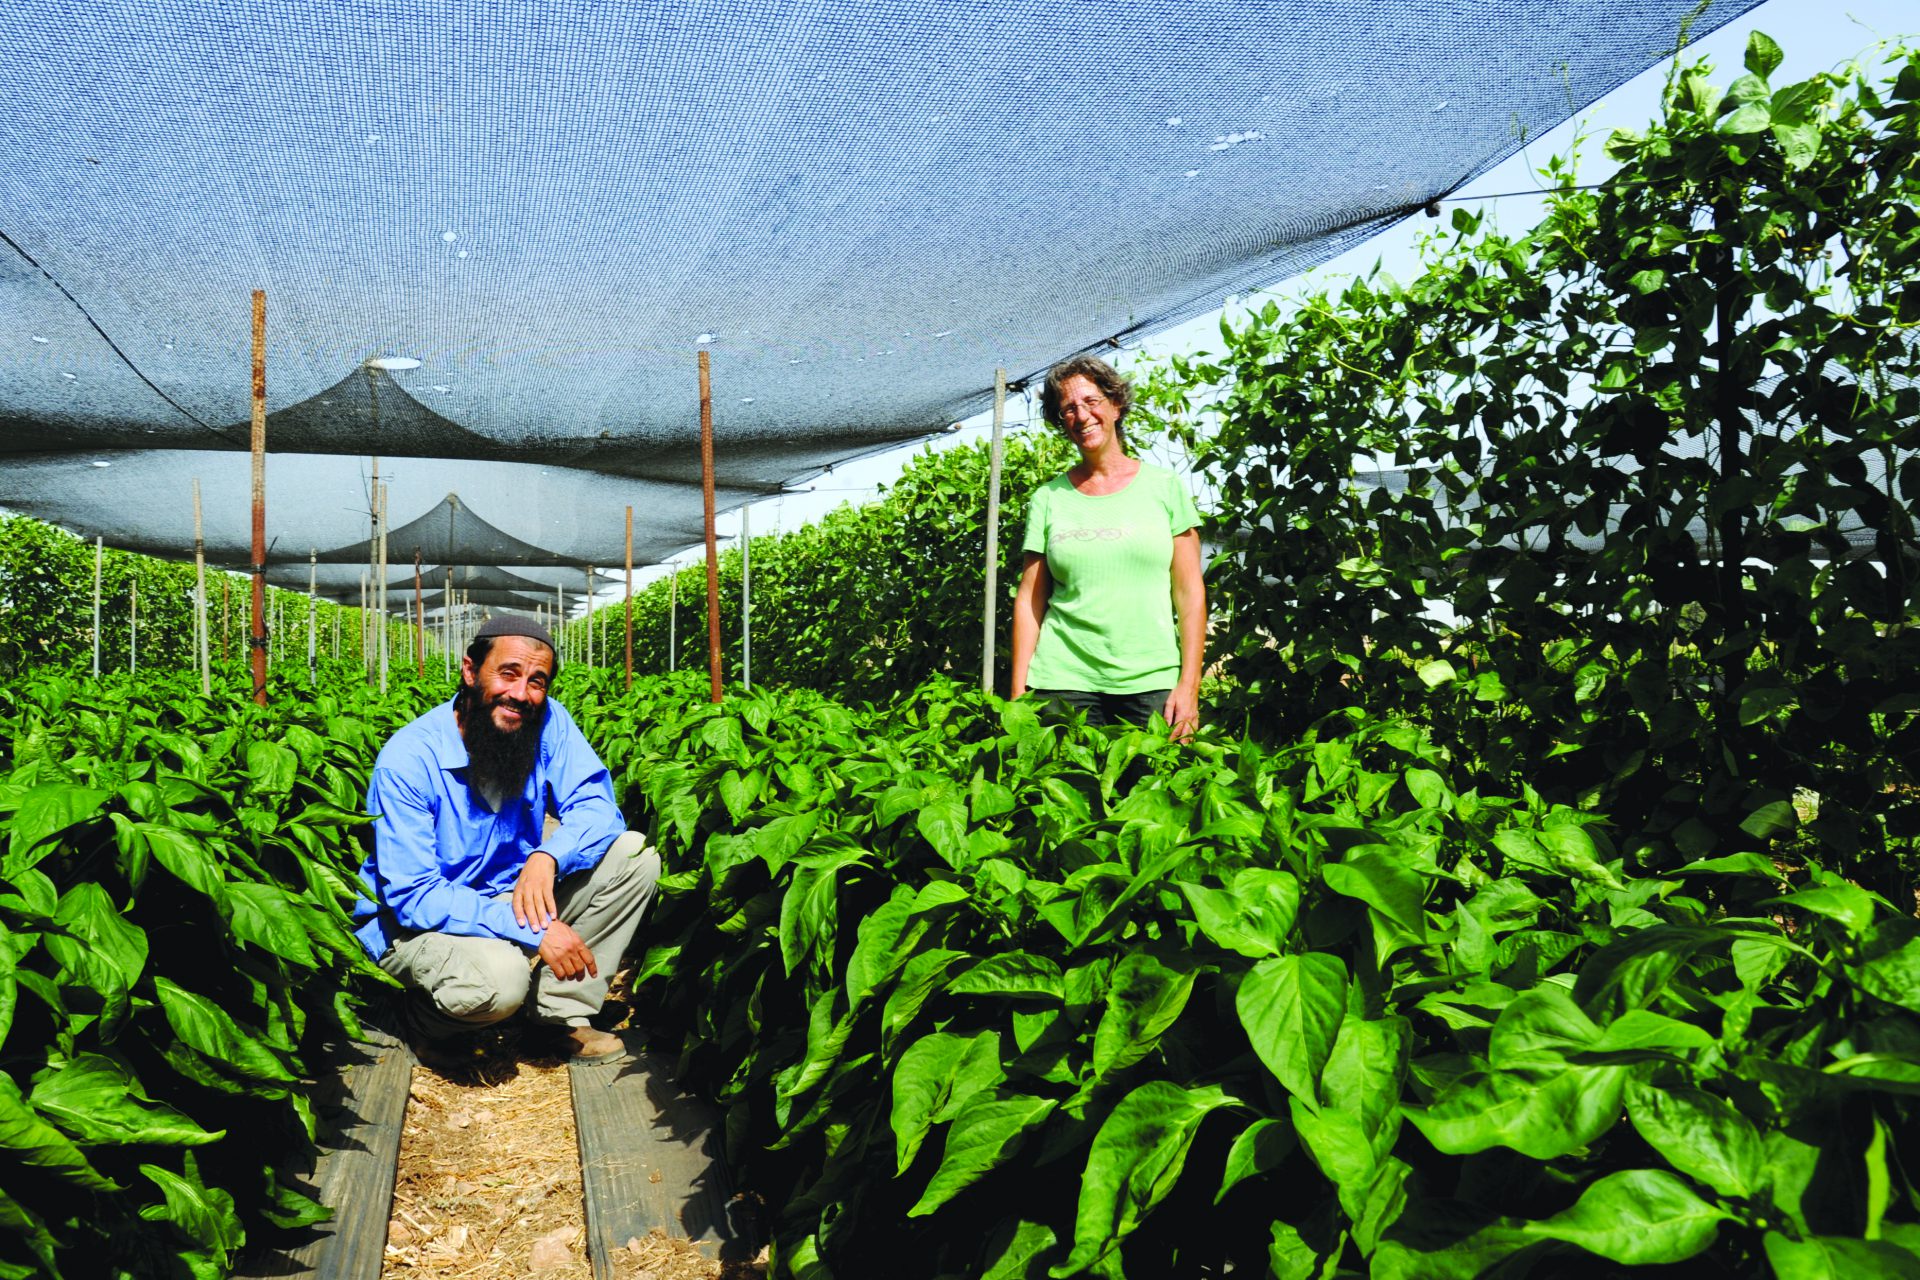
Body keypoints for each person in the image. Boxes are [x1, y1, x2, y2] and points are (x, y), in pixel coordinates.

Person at [352, 614, 658, 1062]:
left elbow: (597, 807)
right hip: (415, 923)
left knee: (635, 856)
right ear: (470, 671)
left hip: (505, 894)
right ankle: (416, 1018)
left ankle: (555, 1018)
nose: (521, 694)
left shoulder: (547, 722)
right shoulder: (409, 758)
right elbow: (415, 896)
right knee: (501, 980)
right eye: (508, 674)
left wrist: (548, 856)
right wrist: (531, 930)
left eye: (537, 681)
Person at [1010, 354, 1206, 736]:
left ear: (1116, 405)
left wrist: (1189, 686)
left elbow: (1190, 593)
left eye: (1091, 401)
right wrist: (1019, 695)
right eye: (1068, 408)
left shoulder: (1164, 488)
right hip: (1061, 682)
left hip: (1151, 682)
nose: (1081, 415)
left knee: (1158, 792)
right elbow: (1030, 600)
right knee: (1065, 790)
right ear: (1061, 422)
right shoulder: (1048, 499)